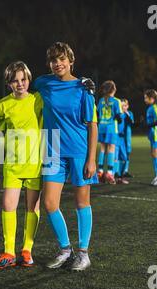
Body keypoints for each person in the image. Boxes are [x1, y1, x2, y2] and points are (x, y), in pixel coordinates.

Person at [34, 42, 98, 271]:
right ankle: (65, 249)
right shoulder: (43, 83)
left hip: (79, 151)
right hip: (52, 151)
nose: (57, 63)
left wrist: (91, 159)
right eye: (53, 60)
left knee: (82, 202)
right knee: (50, 203)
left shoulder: (84, 89)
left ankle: (83, 253)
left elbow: (92, 125)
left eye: (61, 59)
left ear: (71, 61)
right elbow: (20, 87)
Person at [0, 61, 43, 269]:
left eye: (23, 79)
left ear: (29, 80)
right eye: (15, 80)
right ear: (9, 83)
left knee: (32, 207)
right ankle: (9, 251)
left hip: (35, 163)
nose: (20, 83)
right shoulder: (4, 104)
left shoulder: (38, 100)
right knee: (8, 205)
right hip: (12, 164)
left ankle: (27, 249)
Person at [96, 81, 122, 184]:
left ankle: (100, 172)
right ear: (114, 89)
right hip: (111, 128)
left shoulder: (101, 100)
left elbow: (97, 114)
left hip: (101, 127)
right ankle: (110, 173)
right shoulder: (116, 101)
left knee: (102, 149)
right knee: (111, 149)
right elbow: (119, 117)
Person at [121, 99, 134, 178]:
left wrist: (127, 114)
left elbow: (131, 123)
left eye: (125, 105)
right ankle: (117, 171)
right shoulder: (119, 113)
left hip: (127, 136)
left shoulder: (130, 114)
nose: (124, 107)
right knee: (119, 155)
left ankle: (125, 170)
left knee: (127, 153)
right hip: (120, 137)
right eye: (122, 106)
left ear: (128, 106)